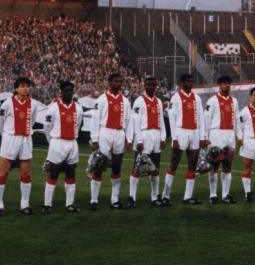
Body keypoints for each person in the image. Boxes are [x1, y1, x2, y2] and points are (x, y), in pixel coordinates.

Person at [0, 76, 45, 216]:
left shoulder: (34, 104)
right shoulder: (6, 103)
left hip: (26, 140)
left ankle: (25, 205)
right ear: (16, 88)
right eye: (22, 86)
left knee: (26, 173)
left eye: (27, 86)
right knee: (3, 172)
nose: (25, 89)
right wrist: (6, 136)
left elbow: (32, 120)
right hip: (10, 139)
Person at [89, 73, 133, 211]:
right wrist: (94, 139)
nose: (118, 84)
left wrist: (130, 139)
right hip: (105, 132)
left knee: (116, 167)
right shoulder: (101, 99)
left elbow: (129, 121)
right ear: (109, 83)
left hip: (119, 133)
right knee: (100, 167)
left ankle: (115, 200)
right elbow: (95, 119)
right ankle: (94, 200)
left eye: (120, 81)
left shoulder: (125, 101)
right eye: (115, 81)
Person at [164, 73, 207, 205]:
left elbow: (201, 118)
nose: (190, 83)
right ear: (182, 83)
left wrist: (202, 137)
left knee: (192, 165)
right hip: (181, 131)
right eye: (188, 81)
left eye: (192, 81)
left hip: (194, 132)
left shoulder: (197, 98)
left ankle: (188, 197)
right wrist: (174, 138)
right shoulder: (176, 98)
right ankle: (165, 196)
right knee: (174, 164)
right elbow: (172, 118)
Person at [42, 81, 84, 213]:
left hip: (72, 143)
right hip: (57, 143)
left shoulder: (78, 108)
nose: (68, 92)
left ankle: (69, 204)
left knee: (71, 173)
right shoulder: (53, 108)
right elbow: (47, 127)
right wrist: (52, 142)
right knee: (53, 174)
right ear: (61, 92)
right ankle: (47, 205)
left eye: (71, 90)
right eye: (66, 90)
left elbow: (79, 125)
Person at [127, 76, 168, 207]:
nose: (151, 87)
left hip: (156, 134)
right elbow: (135, 121)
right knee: (137, 166)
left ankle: (154, 198)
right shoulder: (139, 101)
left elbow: (162, 120)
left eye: (154, 85)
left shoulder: (158, 101)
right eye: (149, 85)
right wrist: (138, 139)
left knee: (155, 168)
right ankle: (132, 197)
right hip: (144, 134)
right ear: (144, 86)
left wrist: (163, 137)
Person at [203, 75, 241, 204]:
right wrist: (205, 137)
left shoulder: (234, 101)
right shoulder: (212, 101)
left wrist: (239, 136)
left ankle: (225, 195)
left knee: (227, 164)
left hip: (229, 135)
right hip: (216, 134)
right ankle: (213, 195)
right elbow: (206, 119)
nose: (227, 85)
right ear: (219, 85)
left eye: (229, 83)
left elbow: (237, 120)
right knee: (214, 165)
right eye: (225, 83)